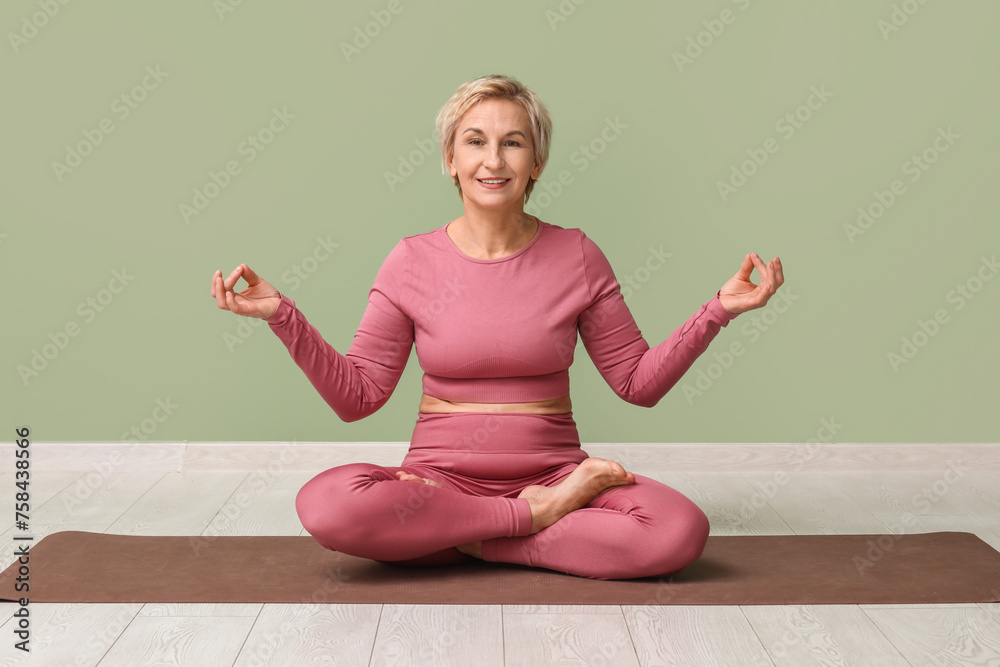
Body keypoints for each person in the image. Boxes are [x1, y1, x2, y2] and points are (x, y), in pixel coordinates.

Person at [209, 74, 784, 580]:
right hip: (437, 487)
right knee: (329, 505)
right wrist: (282, 316)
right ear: (450, 160)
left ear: (536, 163)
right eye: (475, 142)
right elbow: (358, 396)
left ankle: (465, 540)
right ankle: (525, 523)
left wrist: (719, 310)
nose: (494, 160)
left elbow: (638, 382)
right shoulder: (410, 260)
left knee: (678, 531)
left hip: (556, 473)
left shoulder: (576, 255)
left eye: (514, 143)